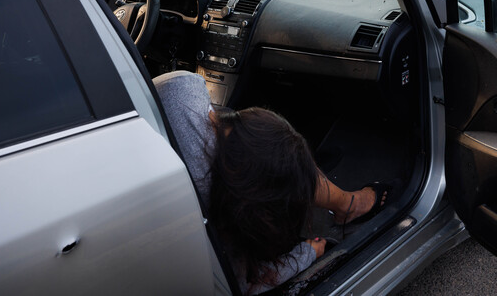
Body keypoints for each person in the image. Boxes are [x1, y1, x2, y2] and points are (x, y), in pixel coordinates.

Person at [153, 70, 388, 295]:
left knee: (277, 155)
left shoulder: (182, 89)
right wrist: (307, 252)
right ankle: (347, 205)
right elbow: (244, 283)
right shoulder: (214, 218)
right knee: (281, 164)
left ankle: (345, 204)